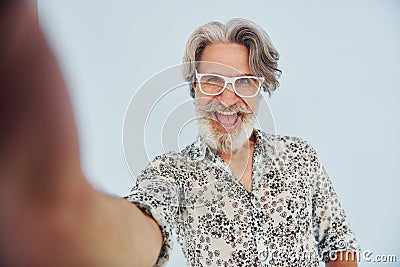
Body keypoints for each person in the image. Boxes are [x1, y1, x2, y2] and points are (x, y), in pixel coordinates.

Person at [0, 1, 359, 266]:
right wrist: (79, 225)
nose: (228, 97)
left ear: (261, 88)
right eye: (213, 80)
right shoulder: (171, 173)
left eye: (244, 82)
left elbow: (340, 243)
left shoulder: (301, 158)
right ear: (195, 89)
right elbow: (141, 226)